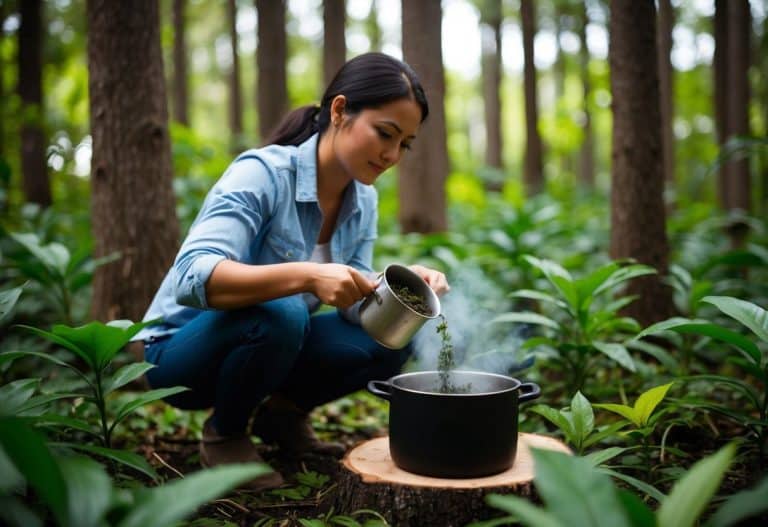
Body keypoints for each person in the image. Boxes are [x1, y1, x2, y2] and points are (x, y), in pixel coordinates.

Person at [137, 52, 450, 491]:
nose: (392, 154)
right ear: (340, 111)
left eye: (405, 144)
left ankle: (281, 419)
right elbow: (193, 276)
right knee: (284, 310)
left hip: (269, 344)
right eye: (385, 134)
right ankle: (225, 434)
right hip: (178, 354)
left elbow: (352, 303)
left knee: (394, 334)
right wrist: (305, 276)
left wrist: (396, 290)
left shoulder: (363, 200)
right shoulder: (261, 174)